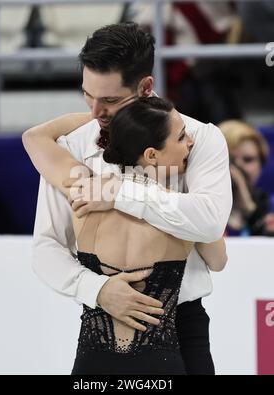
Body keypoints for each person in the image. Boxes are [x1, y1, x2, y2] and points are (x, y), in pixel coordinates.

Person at [23, 22, 232, 375]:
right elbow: (47, 246)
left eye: (110, 100)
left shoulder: (197, 139)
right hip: (101, 323)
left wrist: (119, 193)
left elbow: (211, 225)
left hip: (183, 325)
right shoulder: (73, 145)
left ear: (146, 86)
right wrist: (98, 289)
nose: (94, 113)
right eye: (87, 96)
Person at [74, 97, 227, 374]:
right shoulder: (182, 213)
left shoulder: (85, 202)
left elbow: (35, 138)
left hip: (93, 354)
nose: (191, 142)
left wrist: (99, 116)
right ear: (151, 155)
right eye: (181, 137)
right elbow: (217, 260)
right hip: (164, 351)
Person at [218, 119, 274, 236]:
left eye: (248, 160)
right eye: (230, 159)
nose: (239, 167)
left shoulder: (264, 204)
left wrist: (247, 205)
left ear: (261, 165)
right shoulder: (197, 202)